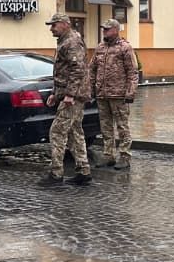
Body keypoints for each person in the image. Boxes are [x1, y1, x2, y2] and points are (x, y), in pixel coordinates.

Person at [40, 13, 92, 186]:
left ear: (64, 24)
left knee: (57, 131)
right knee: (74, 132)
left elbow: (77, 69)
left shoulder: (72, 41)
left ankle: (56, 174)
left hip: (74, 96)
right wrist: (57, 94)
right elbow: (63, 71)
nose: (51, 29)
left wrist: (69, 94)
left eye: (53, 25)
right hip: (71, 94)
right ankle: (83, 171)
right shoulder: (66, 40)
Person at [90, 19, 137, 171]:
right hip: (102, 94)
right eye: (103, 29)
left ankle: (124, 156)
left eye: (107, 29)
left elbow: (133, 72)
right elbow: (92, 70)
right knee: (105, 126)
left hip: (119, 94)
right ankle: (108, 154)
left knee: (122, 126)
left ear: (116, 30)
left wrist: (130, 92)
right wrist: (90, 89)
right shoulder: (100, 47)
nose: (104, 31)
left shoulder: (125, 47)